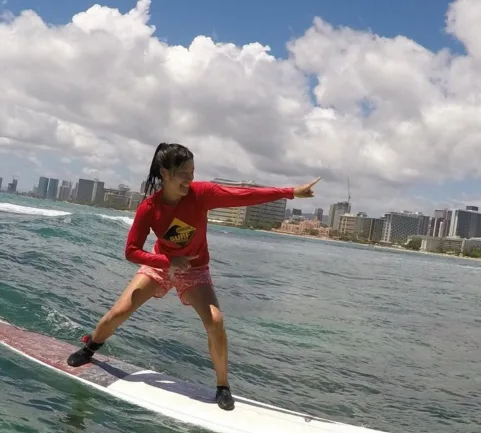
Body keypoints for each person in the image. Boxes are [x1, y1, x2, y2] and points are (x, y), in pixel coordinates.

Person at [66, 142, 320, 410]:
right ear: (165, 173)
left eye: (192, 172)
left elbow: (243, 195)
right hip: (162, 264)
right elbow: (131, 251)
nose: (190, 179)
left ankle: (223, 386)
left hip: (195, 270)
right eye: (184, 173)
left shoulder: (202, 194)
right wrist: (167, 261)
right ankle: (90, 348)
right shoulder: (149, 208)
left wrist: (291, 192)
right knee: (118, 313)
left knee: (215, 322)